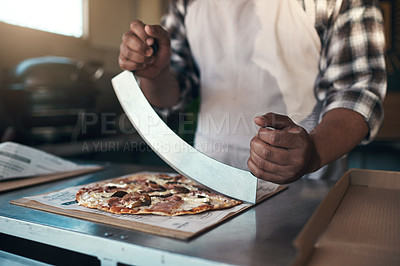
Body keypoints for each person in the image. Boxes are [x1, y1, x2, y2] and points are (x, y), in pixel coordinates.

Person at [118, 0, 386, 184]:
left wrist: (312, 153)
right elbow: (174, 96)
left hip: (306, 185)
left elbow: (357, 92)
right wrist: (154, 74)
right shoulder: (186, 3)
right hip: (209, 179)